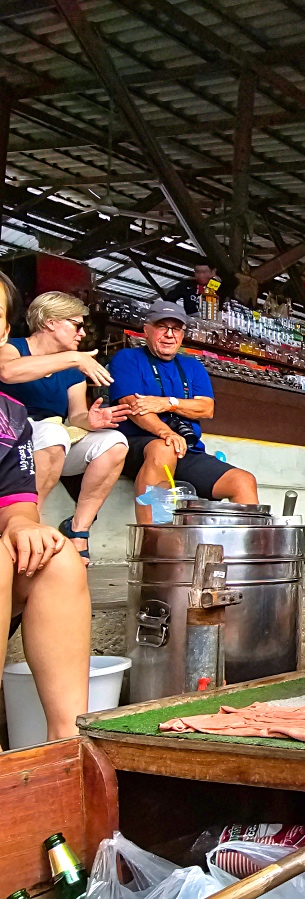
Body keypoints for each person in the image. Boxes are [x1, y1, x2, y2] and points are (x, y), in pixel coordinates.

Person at [0, 272, 91, 743]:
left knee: (58, 559)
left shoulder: (8, 417)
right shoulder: (19, 360)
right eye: (75, 325)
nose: (81, 333)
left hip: (56, 434)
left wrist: (22, 525)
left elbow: (15, 503)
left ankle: (67, 746)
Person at [0, 291, 131, 561]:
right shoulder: (12, 348)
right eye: (77, 324)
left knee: (115, 442)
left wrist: (93, 421)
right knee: (52, 432)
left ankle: (78, 531)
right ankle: (27, 525)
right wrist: (75, 359)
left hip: (52, 442)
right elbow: (7, 372)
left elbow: (77, 415)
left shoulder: (73, 369)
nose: (82, 333)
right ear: (50, 321)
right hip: (11, 441)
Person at [108, 301, 258, 524]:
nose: (169, 335)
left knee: (243, 481)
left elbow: (206, 408)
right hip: (137, 444)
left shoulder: (192, 366)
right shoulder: (127, 358)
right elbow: (133, 406)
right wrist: (166, 432)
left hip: (186, 449)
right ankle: (154, 543)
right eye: (162, 327)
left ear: (182, 334)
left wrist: (167, 403)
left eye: (176, 329)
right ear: (146, 329)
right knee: (164, 448)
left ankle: (244, 552)